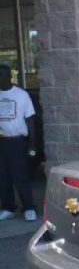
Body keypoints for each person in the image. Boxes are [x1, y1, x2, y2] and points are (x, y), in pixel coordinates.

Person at [0, 64, 37, 221]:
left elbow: (30, 121)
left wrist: (32, 144)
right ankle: (9, 207)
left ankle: (29, 208)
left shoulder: (21, 95)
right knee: (3, 177)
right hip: (1, 141)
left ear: (9, 76)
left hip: (17, 142)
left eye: (2, 75)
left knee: (20, 176)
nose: (0, 78)